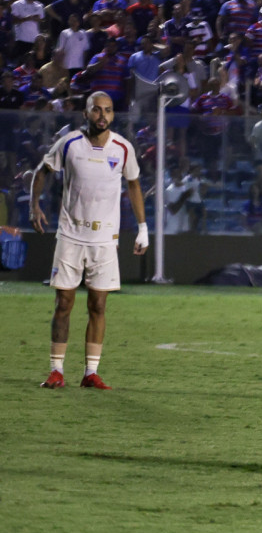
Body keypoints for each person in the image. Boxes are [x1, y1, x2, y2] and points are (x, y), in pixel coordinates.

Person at [30, 91, 149, 390]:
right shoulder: (69, 143)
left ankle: (90, 373)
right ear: (85, 113)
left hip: (105, 240)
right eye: (97, 110)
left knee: (98, 305)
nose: (102, 116)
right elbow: (40, 172)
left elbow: (134, 184)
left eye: (108, 110)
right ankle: (56, 371)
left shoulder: (122, 147)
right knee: (63, 303)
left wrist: (143, 227)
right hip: (71, 235)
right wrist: (35, 206)